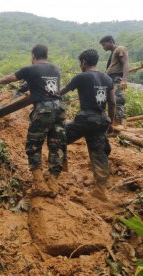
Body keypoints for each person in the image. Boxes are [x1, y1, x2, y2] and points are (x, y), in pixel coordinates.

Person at [0, 44, 65, 197]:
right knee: (56, 146)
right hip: (60, 109)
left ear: (33, 55)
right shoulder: (55, 69)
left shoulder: (30, 69)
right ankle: (54, 184)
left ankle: (39, 184)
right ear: (46, 55)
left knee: (33, 145)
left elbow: (10, 78)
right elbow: (49, 88)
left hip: (44, 110)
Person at [59, 49, 116, 200]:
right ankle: (100, 190)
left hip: (85, 119)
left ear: (84, 62)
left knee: (58, 136)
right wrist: (111, 123)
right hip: (101, 120)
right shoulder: (107, 79)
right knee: (98, 153)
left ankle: (62, 170)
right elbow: (112, 103)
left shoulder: (81, 77)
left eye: (80, 63)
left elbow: (61, 92)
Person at [100, 35, 130, 125]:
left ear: (111, 41)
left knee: (118, 101)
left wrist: (124, 79)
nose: (103, 47)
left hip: (116, 79)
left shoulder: (120, 49)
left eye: (104, 44)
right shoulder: (113, 53)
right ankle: (110, 124)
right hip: (110, 80)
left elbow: (125, 63)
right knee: (107, 101)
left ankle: (119, 125)